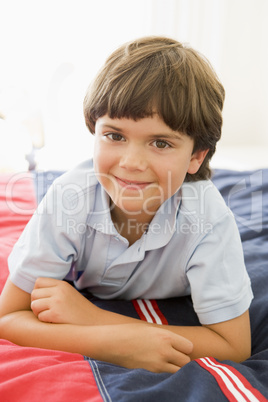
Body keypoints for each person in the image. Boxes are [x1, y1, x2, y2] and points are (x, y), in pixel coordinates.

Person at [0, 36, 253, 373]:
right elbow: (9, 317)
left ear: (196, 156)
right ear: (94, 130)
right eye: (115, 136)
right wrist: (113, 345)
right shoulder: (68, 199)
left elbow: (234, 345)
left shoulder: (208, 220)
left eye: (161, 143)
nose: (131, 162)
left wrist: (93, 320)